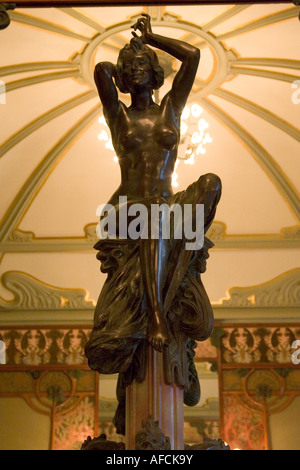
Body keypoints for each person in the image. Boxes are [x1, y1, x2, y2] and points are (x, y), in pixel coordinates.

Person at [85, 14, 221, 432]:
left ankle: (174, 270)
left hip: (164, 206)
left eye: (145, 64)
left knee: (210, 184)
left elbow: (194, 56)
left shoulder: (171, 111)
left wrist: (150, 39)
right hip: (126, 210)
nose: (137, 68)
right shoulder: (118, 117)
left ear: (157, 72)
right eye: (131, 66)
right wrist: (126, 55)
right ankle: (158, 317)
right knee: (155, 221)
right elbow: (99, 71)